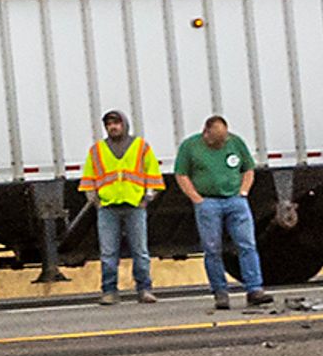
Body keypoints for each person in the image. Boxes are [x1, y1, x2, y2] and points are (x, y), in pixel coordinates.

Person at [174, 112, 275, 312]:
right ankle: (220, 292)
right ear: (206, 133)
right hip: (208, 202)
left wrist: (243, 192)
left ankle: (255, 289)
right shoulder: (190, 147)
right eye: (216, 140)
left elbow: (248, 169)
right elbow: (181, 174)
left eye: (223, 140)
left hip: (235, 201)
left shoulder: (235, 143)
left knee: (247, 244)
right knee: (212, 249)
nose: (220, 144)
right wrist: (197, 199)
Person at [81, 110, 163, 304]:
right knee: (108, 253)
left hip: (135, 206)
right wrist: (97, 202)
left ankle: (144, 289)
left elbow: (154, 177)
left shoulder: (141, 147)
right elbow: (88, 180)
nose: (113, 127)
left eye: (116, 123)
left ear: (124, 124)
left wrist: (146, 199)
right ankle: (109, 291)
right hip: (108, 208)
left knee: (140, 252)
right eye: (109, 124)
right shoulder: (97, 150)